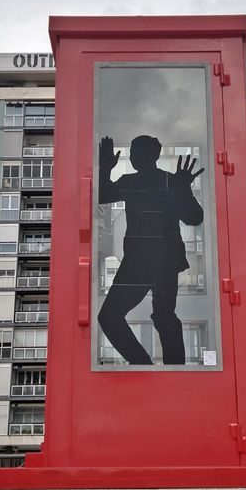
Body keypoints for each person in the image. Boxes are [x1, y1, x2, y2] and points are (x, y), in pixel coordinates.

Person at [97, 135, 204, 365]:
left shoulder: (135, 182)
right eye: (133, 153)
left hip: (142, 263)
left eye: (137, 153)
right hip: (162, 261)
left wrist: (106, 167)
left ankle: (146, 366)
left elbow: (103, 193)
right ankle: (169, 371)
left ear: (150, 156)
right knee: (163, 317)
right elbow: (194, 217)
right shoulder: (169, 182)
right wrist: (183, 187)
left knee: (111, 316)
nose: (135, 157)